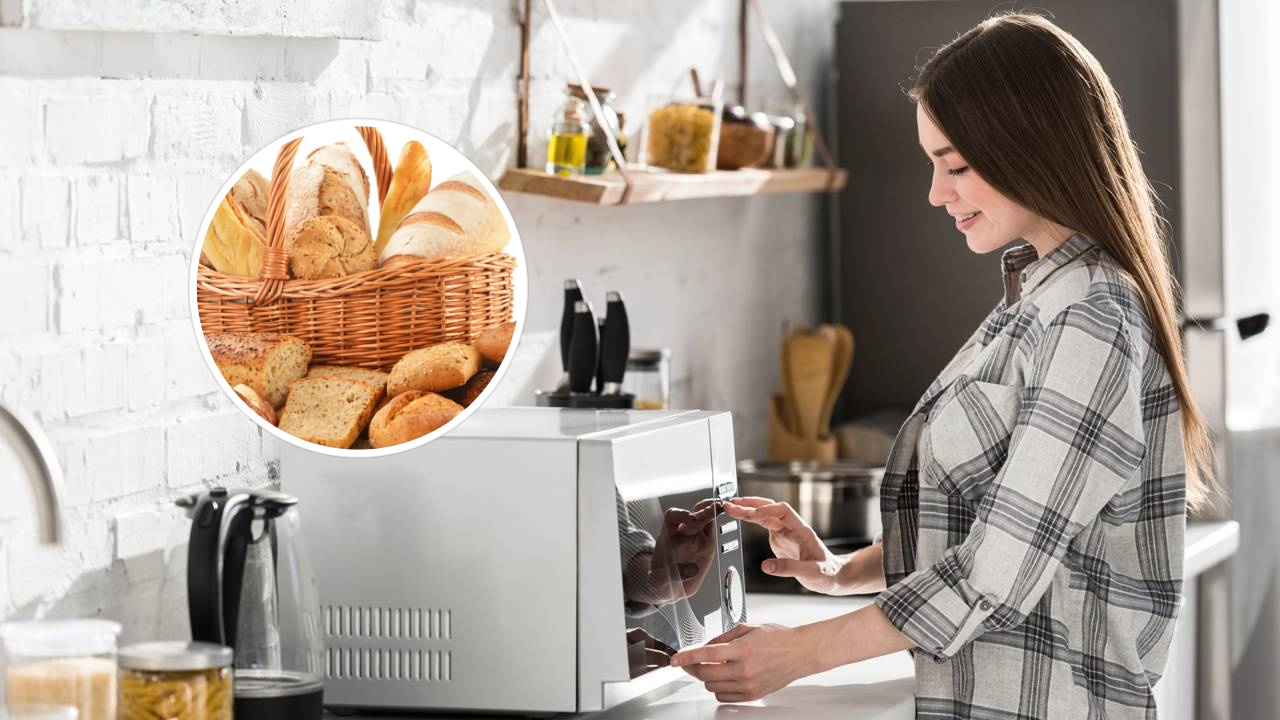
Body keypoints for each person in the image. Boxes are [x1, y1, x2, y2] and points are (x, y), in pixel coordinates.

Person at [670, 13, 1216, 719]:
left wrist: (800, 652)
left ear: (1033, 147)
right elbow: (992, 519)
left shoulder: (1091, 319)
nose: (935, 191)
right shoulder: (1038, 296)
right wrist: (839, 571)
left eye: (955, 165)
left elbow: (999, 570)